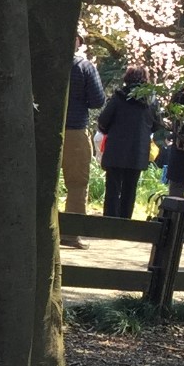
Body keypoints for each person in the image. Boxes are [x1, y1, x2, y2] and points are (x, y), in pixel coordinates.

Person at [96, 66, 159, 219]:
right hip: (138, 151)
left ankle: (109, 222)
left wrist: (109, 130)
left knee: (113, 188)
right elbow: (157, 125)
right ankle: (125, 223)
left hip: (116, 149)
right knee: (130, 189)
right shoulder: (151, 100)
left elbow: (103, 120)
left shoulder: (118, 97)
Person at [63, 45, 106, 235]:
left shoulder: (40, 61)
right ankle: (71, 233)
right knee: (77, 183)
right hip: (75, 128)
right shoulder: (83, 66)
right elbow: (98, 100)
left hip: (40, 128)